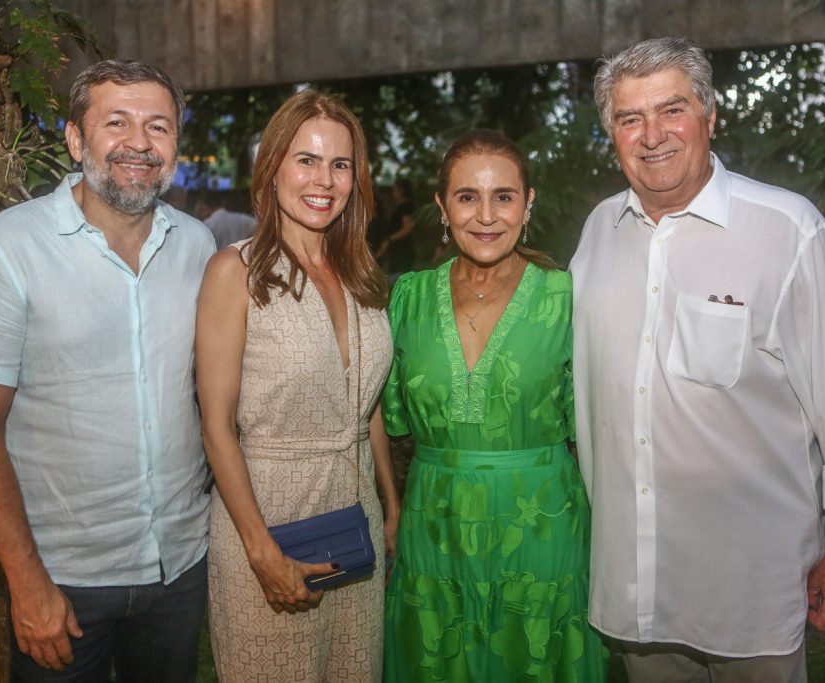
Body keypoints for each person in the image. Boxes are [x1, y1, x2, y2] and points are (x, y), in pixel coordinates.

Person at [570, 37, 825, 682]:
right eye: (629, 118)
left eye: (672, 109)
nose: (652, 135)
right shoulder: (597, 234)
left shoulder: (788, 230)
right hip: (636, 589)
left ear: (711, 114)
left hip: (752, 595)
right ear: (610, 132)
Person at [0, 60, 214, 681]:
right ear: (74, 138)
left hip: (180, 566)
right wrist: (27, 583)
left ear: (176, 143)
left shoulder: (199, 248)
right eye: (116, 123)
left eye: (158, 127)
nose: (139, 144)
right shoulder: (11, 247)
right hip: (64, 580)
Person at [383, 129, 607, 681]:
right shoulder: (406, 298)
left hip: (543, 532)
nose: (486, 216)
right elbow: (381, 417)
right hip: (434, 530)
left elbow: (603, 422)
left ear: (527, 204)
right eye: (467, 197)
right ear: (442, 207)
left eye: (503, 197)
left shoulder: (568, 296)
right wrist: (391, 508)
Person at [196, 90, 400, 682]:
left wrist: (390, 506)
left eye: (340, 164)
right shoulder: (236, 271)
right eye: (306, 159)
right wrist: (263, 553)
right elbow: (216, 426)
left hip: (353, 522)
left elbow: (369, 407)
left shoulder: (361, 277)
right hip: (268, 519)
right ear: (273, 167)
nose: (324, 179)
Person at [374, 178, 416, 274]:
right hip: (398, 251)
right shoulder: (401, 207)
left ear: (401, 190)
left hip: (403, 251)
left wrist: (390, 239)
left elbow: (407, 228)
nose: (393, 193)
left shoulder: (406, 207)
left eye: (394, 190)